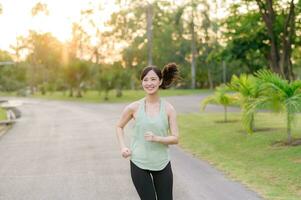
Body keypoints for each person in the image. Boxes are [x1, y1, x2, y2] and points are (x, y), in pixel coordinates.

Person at [116, 63, 180, 200]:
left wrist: (157, 138)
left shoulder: (169, 109)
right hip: (139, 162)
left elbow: (175, 138)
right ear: (142, 82)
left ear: (160, 81)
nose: (149, 83)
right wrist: (123, 147)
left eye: (153, 79)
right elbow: (119, 126)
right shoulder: (134, 107)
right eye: (145, 79)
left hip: (162, 162)